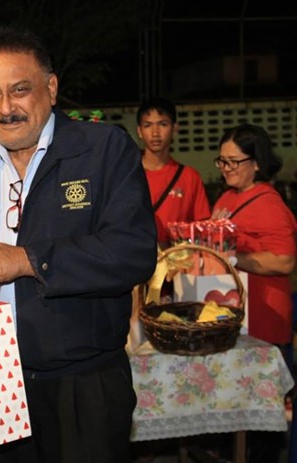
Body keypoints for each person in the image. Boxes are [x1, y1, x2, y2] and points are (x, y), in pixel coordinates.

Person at [0, 26, 157, 463]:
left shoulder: (102, 150)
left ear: (51, 87)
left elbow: (133, 251)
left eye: (19, 90)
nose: (5, 108)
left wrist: (27, 260)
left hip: (83, 384)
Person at [210, 124, 296, 463]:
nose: (227, 168)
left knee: (262, 416)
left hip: (265, 321)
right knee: (236, 408)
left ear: (257, 162)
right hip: (236, 317)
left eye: (235, 162)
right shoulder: (228, 197)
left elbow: (285, 259)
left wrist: (233, 257)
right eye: (222, 161)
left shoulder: (269, 204)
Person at [136, 97, 210, 247]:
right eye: (148, 125)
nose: (155, 133)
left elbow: (202, 228)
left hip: (178, 262)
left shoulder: (189, 177)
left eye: (163, 124)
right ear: (139, 131)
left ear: (175, 128)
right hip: (136, 260)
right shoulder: (126, 175)